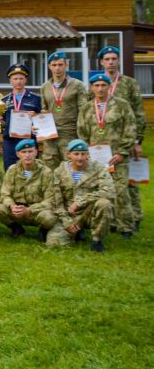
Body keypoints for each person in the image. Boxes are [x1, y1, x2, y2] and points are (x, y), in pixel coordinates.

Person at [77, 73, 136, 239]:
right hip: (95, 159)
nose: (100, 89)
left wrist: (122, 152)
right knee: (98, 191)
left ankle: (126, 227)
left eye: (103, 85)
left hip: (117, 157)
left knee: (120, 191)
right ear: (91, 88)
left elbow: (130, 129)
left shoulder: (122, 105)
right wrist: (85, 154)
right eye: (96, 86)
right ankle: (108, 223)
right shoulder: (87, 108)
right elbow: (82, 132)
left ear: (109, 87)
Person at [96, 45, 146, 231]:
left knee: (129, 181)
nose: (110, 62)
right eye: (107, 59)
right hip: (102, 142)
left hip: (125, 139)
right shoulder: (95, 83)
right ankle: (114, 218)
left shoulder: (129, 83)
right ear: (101, 62)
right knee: (107, 180)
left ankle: (135, 215)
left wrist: (136, 141)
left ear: (118, 61)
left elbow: (139, 113)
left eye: (113, 59)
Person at [48, 139, 115, 252]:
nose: (80, 158)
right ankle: (77, 231)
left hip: (90, 213)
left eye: (83, 154)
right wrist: (66, 222)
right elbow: (57, 200)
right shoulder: (59, 171)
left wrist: (80, 202)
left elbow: (109, 191)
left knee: (104, 203)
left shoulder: (98, 168)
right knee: (53, 243)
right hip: (70, 214)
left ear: (88, 155)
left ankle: (97, 240)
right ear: (68, 155)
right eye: (76, 154)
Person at [0, 139, 62, 243]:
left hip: (36, 212)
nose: (27, 155)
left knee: (49, 217)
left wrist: (29, 210)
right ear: (17, 154)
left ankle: (43, 230)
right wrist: (12, 206)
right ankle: (16, 228)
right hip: (16, 210)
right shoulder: (12, 170)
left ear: (36, 152)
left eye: (30, 151)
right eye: (23, 152)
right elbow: (5, 194)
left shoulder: (45, 172)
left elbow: (50, 200)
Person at [39, 52, 87, 169]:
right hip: (50, 136)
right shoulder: (44, 87)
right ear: (49, 66)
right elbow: (43, 110)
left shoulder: (77, 85)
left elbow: (84, 111)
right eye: (54, 65)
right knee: (50, 170)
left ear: (66, 66)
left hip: (70, 134)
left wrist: (83, 134)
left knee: (71, 168)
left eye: (60, 65)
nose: (57, 68)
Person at [0, 63, 42, 170]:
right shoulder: (4, 101)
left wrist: (36, 117)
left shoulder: (36, 98)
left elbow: (43, 119)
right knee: (10, 169)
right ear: (10, 80)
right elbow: (3, 123)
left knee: (31, 170)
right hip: (10, 141)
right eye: (15, 78)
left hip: (29, 139)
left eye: (21, 78)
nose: (18, 81)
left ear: (26, 80)